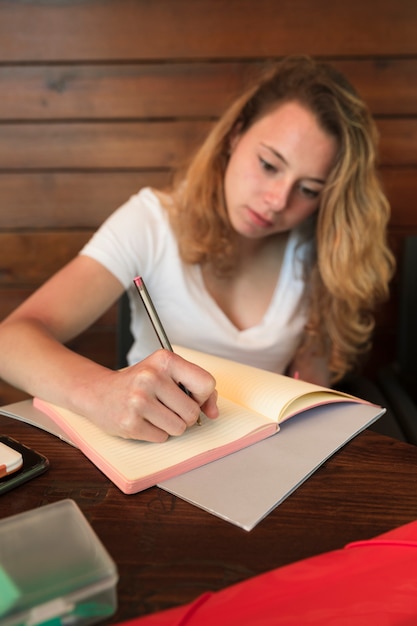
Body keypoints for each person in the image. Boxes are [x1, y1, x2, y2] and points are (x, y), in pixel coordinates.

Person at [0, 56, 395, 443]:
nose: (278, 200)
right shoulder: (151, 223)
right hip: (153, 448)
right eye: (269, 165)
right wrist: (99, 391)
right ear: (235, 135)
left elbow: (311, 389)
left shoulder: (321, 249)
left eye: (308, 190)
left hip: (260, 453)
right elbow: (11, 340)